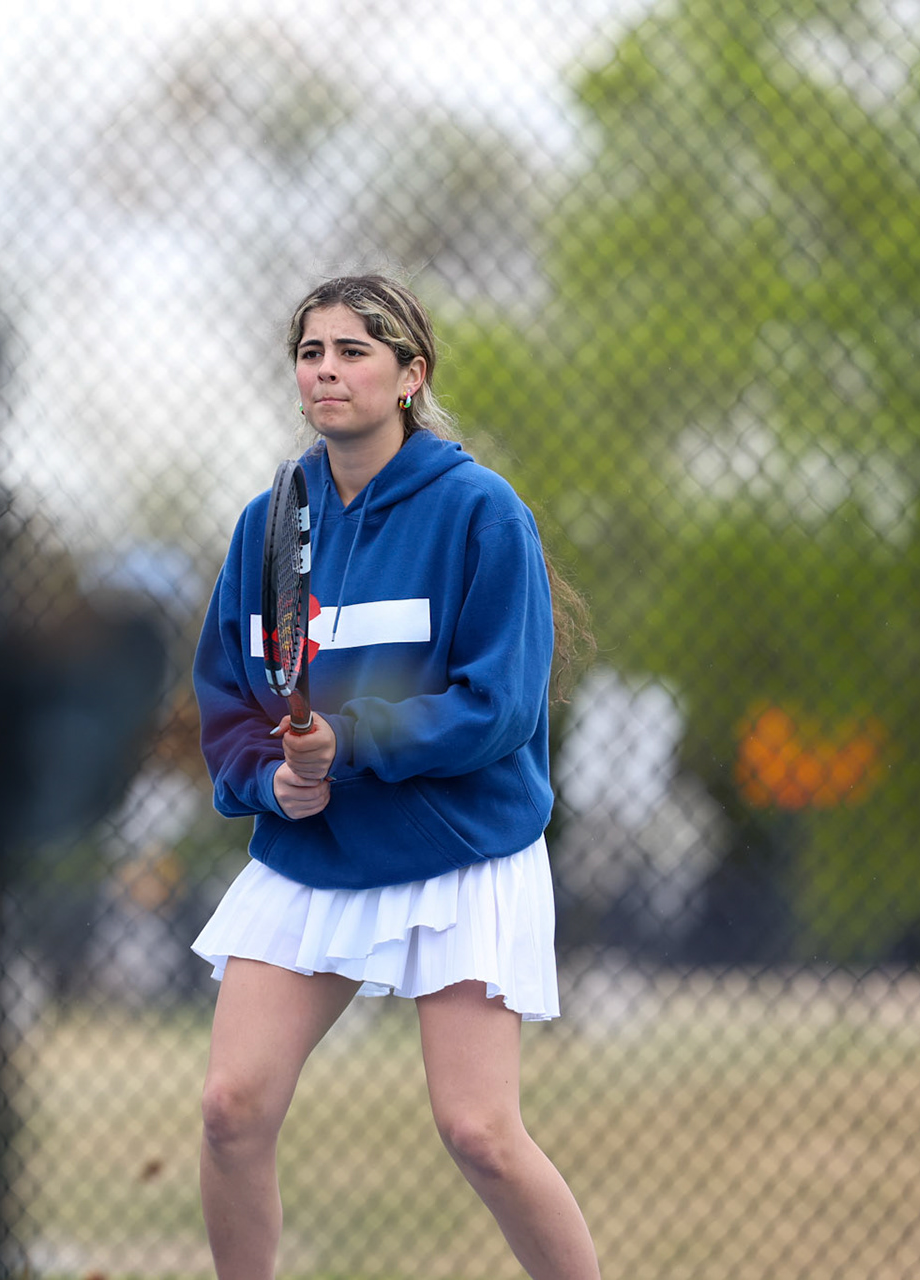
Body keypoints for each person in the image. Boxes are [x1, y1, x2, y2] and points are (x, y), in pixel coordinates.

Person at [190, 275, 601, 1280]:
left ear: (411, 375)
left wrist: (351, 739)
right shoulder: (267, 523)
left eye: (353, 351)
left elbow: (500, 706)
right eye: (311, 351)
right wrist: (267, 780)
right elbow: (228, 697)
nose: (326, 370)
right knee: (230, 1108)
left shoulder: (481, 512)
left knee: (480, 1131)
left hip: (457, 847)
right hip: (314, 853)